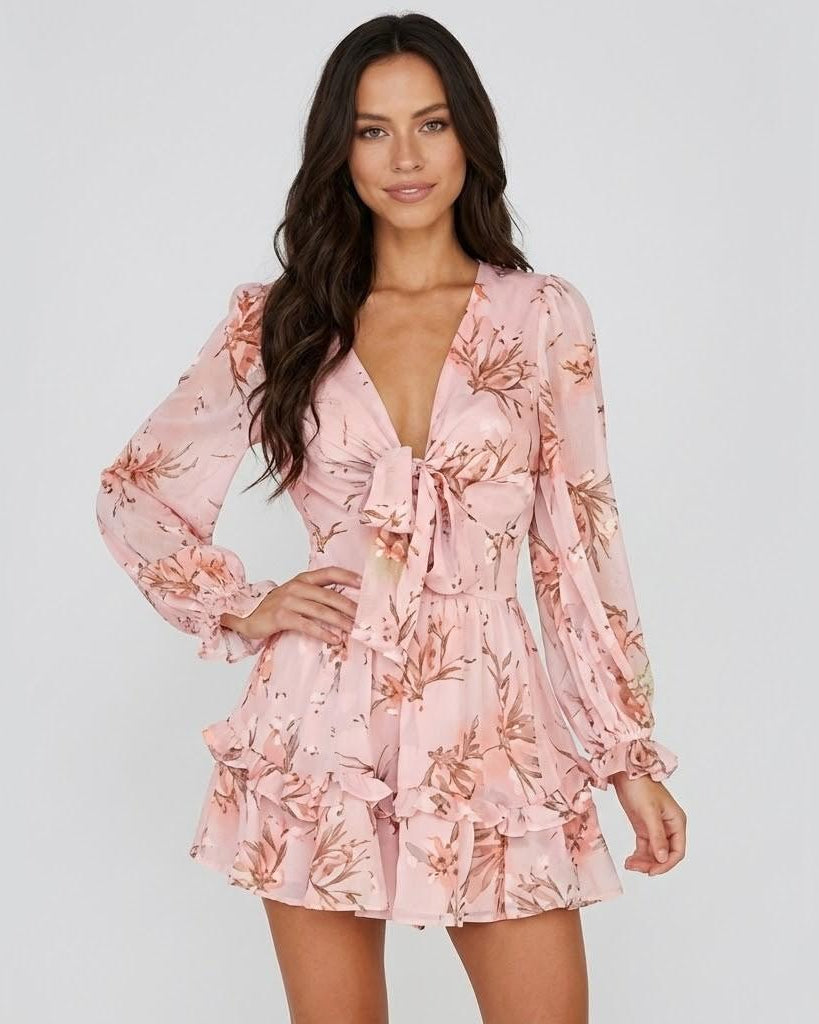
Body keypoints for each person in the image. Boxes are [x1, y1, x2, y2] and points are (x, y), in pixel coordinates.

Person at [95, 12, 686, 1023]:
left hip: (492, 724)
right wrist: (243, 605)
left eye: (431, 124)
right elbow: (137, 489)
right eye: (373, 130)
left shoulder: (542, 316)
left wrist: (627, 757)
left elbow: (578, 548)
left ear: (469, 136)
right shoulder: (280, 319)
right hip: (319, 727)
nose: (405, 158)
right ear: (340, 148)